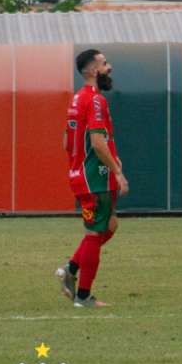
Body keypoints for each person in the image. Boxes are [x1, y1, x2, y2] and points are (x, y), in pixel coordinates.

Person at [56, 49, 129, 308]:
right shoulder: (95, 100)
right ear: (92, 71)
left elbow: (67, 141)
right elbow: (98, 142)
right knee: (95, 233)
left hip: (83, 174)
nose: (109, 68)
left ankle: (71, 267)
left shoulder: (77, 99)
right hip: (93, 178)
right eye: (104, 64)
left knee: (108, 226)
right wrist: (117, 172)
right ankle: (83, 296)